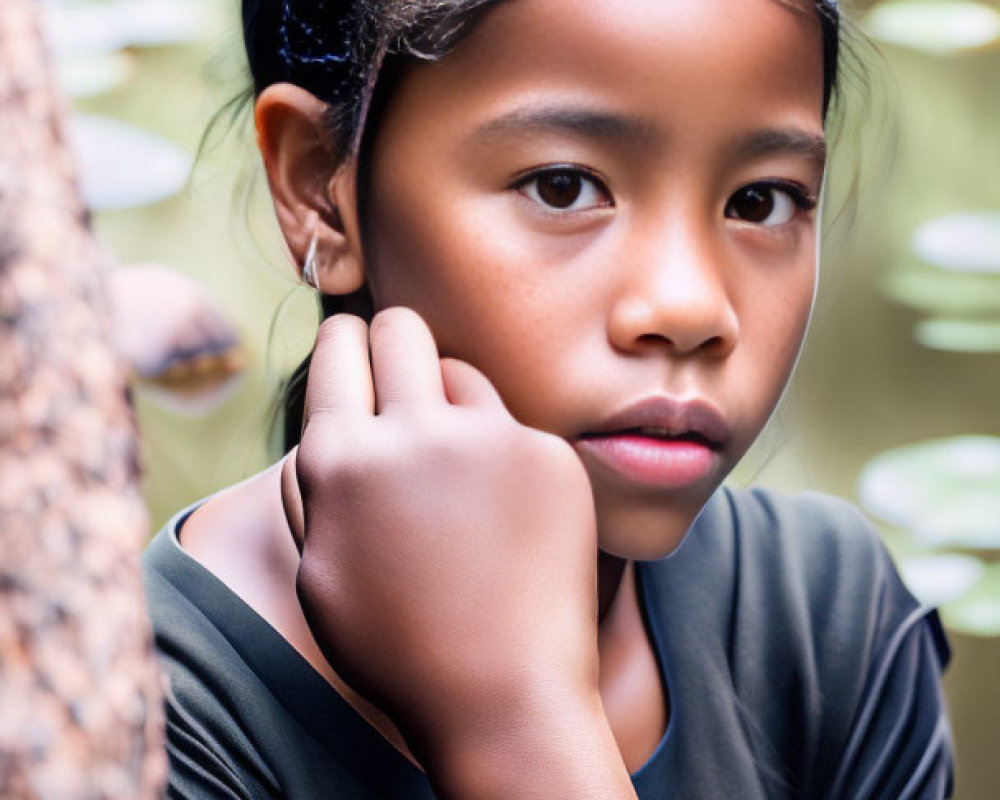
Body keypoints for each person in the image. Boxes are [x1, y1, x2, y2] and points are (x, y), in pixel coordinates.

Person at [141, 0, 955, 797]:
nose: (692, 309)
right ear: (321, 187)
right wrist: (511, 719)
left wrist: (514, 719)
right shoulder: (143, 713)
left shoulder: (828, 622)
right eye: (563, 187)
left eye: (760, 201)